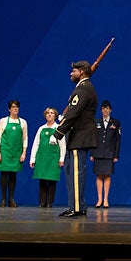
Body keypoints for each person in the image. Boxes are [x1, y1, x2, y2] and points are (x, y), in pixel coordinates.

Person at [53, 60, 98, 218]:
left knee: (76, 174)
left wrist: (58, 133)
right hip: (75, 136)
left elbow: (73, 113)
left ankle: (77, 208)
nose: (71, 73)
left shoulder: (84, 89)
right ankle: (75, 205)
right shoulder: (81, 88)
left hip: (80, 135)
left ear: (82, 73)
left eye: (74, 71)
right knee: (70, 172)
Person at [29, 106, 65, 208]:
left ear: (55, 116)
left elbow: (63, 145)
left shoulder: (58, 128)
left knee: (52, 180)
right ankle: (42, 202)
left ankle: (50, 202)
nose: (49, 114)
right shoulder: (41, 128)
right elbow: (36, 144)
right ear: (45, 115)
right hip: (42, 158)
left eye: (52, 113)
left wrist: (61, 158)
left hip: (54, 158)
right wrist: (33, 158)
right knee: (42, 180)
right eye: (48, 113)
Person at [0, 99, 28, 208]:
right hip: (5, 151)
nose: (15, 109)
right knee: (4, 174)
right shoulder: (3, 121)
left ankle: (11, 199)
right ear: (9, 109)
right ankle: (3, 199)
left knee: (13, 175)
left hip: (16, 152)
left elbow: (25, 138)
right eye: (13, 107)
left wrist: (24, 153)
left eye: (17, 107)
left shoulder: (22, 122)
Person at [92, 99, 120, 208]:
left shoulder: (115, 123)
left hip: (109, 153)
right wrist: (92, 153)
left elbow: (117, 140)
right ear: (101, 110)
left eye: (107, 108)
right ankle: (99, 199)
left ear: (110, 110)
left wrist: (116, 155)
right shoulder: (96, 122)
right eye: (103, 109)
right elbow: (93, 139)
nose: (105, 111)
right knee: (99, 175)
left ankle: (106, 199)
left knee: (107, 175)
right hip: (98, 152)